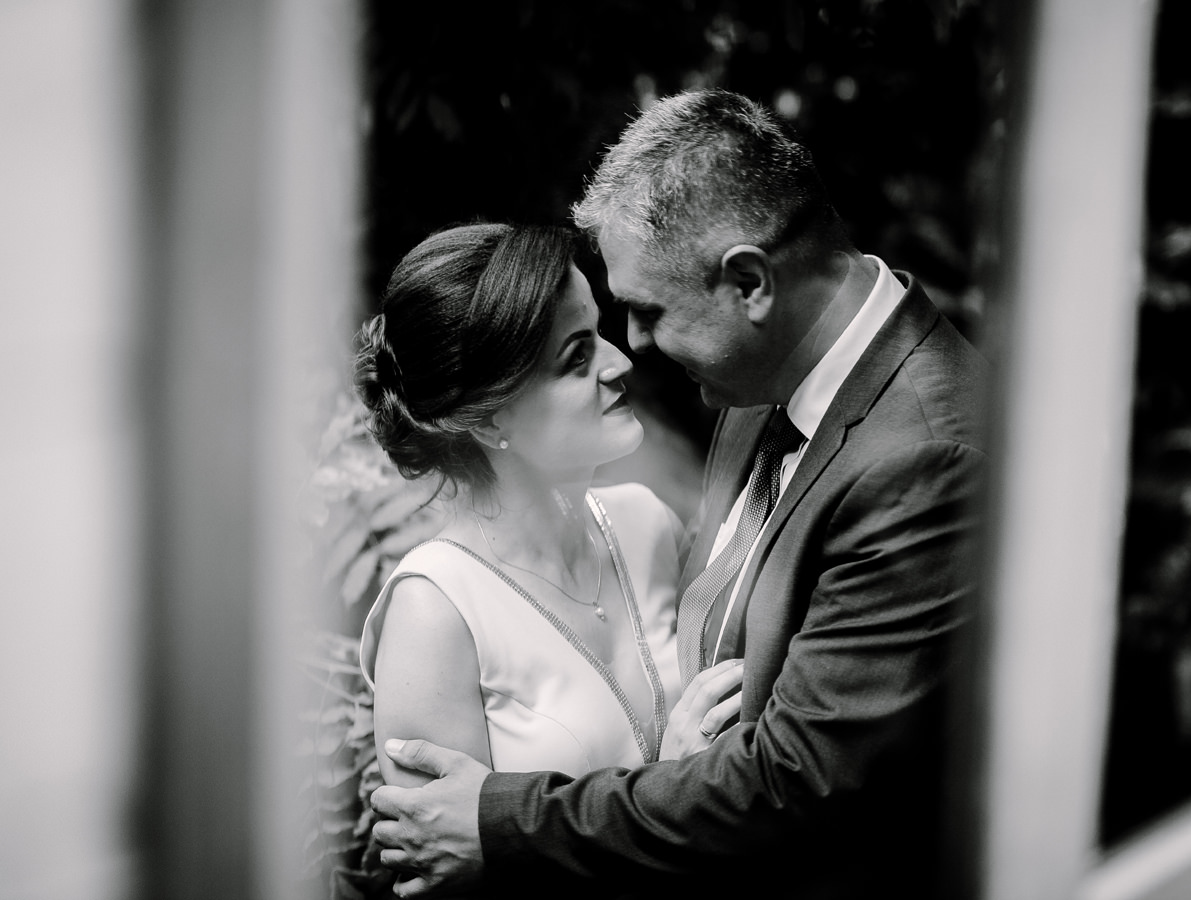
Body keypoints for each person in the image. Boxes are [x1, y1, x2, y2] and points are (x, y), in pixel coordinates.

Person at [370, 90, 988, 898]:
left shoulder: (923, 453)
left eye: (646, 312)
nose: (633, 351)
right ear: (489, 420)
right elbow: (427, 858)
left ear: (749, 283)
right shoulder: (758, 380)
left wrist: (504, 821)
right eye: (581, 350)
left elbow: (795, 778)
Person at [352, 223, 748, 819]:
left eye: (600, 333)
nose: (620, 362)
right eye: (576, 357)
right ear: (489, 420)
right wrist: (670, 786)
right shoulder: (435, 612)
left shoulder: (648, 523)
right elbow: (448, 860)